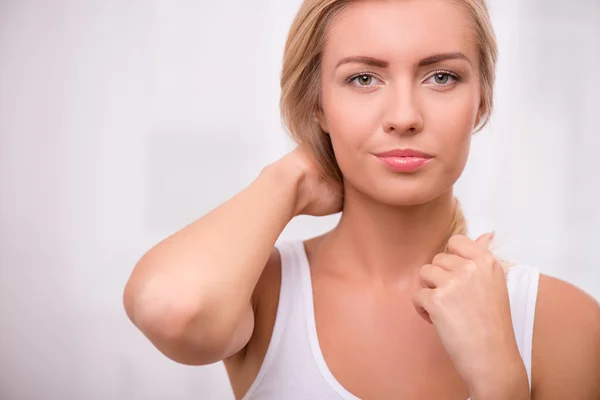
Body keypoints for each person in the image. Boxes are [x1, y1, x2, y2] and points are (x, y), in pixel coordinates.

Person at [123, 0, 600, 399]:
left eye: (441, 77)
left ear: (482, 101)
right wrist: (288, 178)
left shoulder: (563, 322)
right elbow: (172, 310)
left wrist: (502, 384)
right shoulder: (258, 291)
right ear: (317, 104)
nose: (404, 117)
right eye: (363, 79)